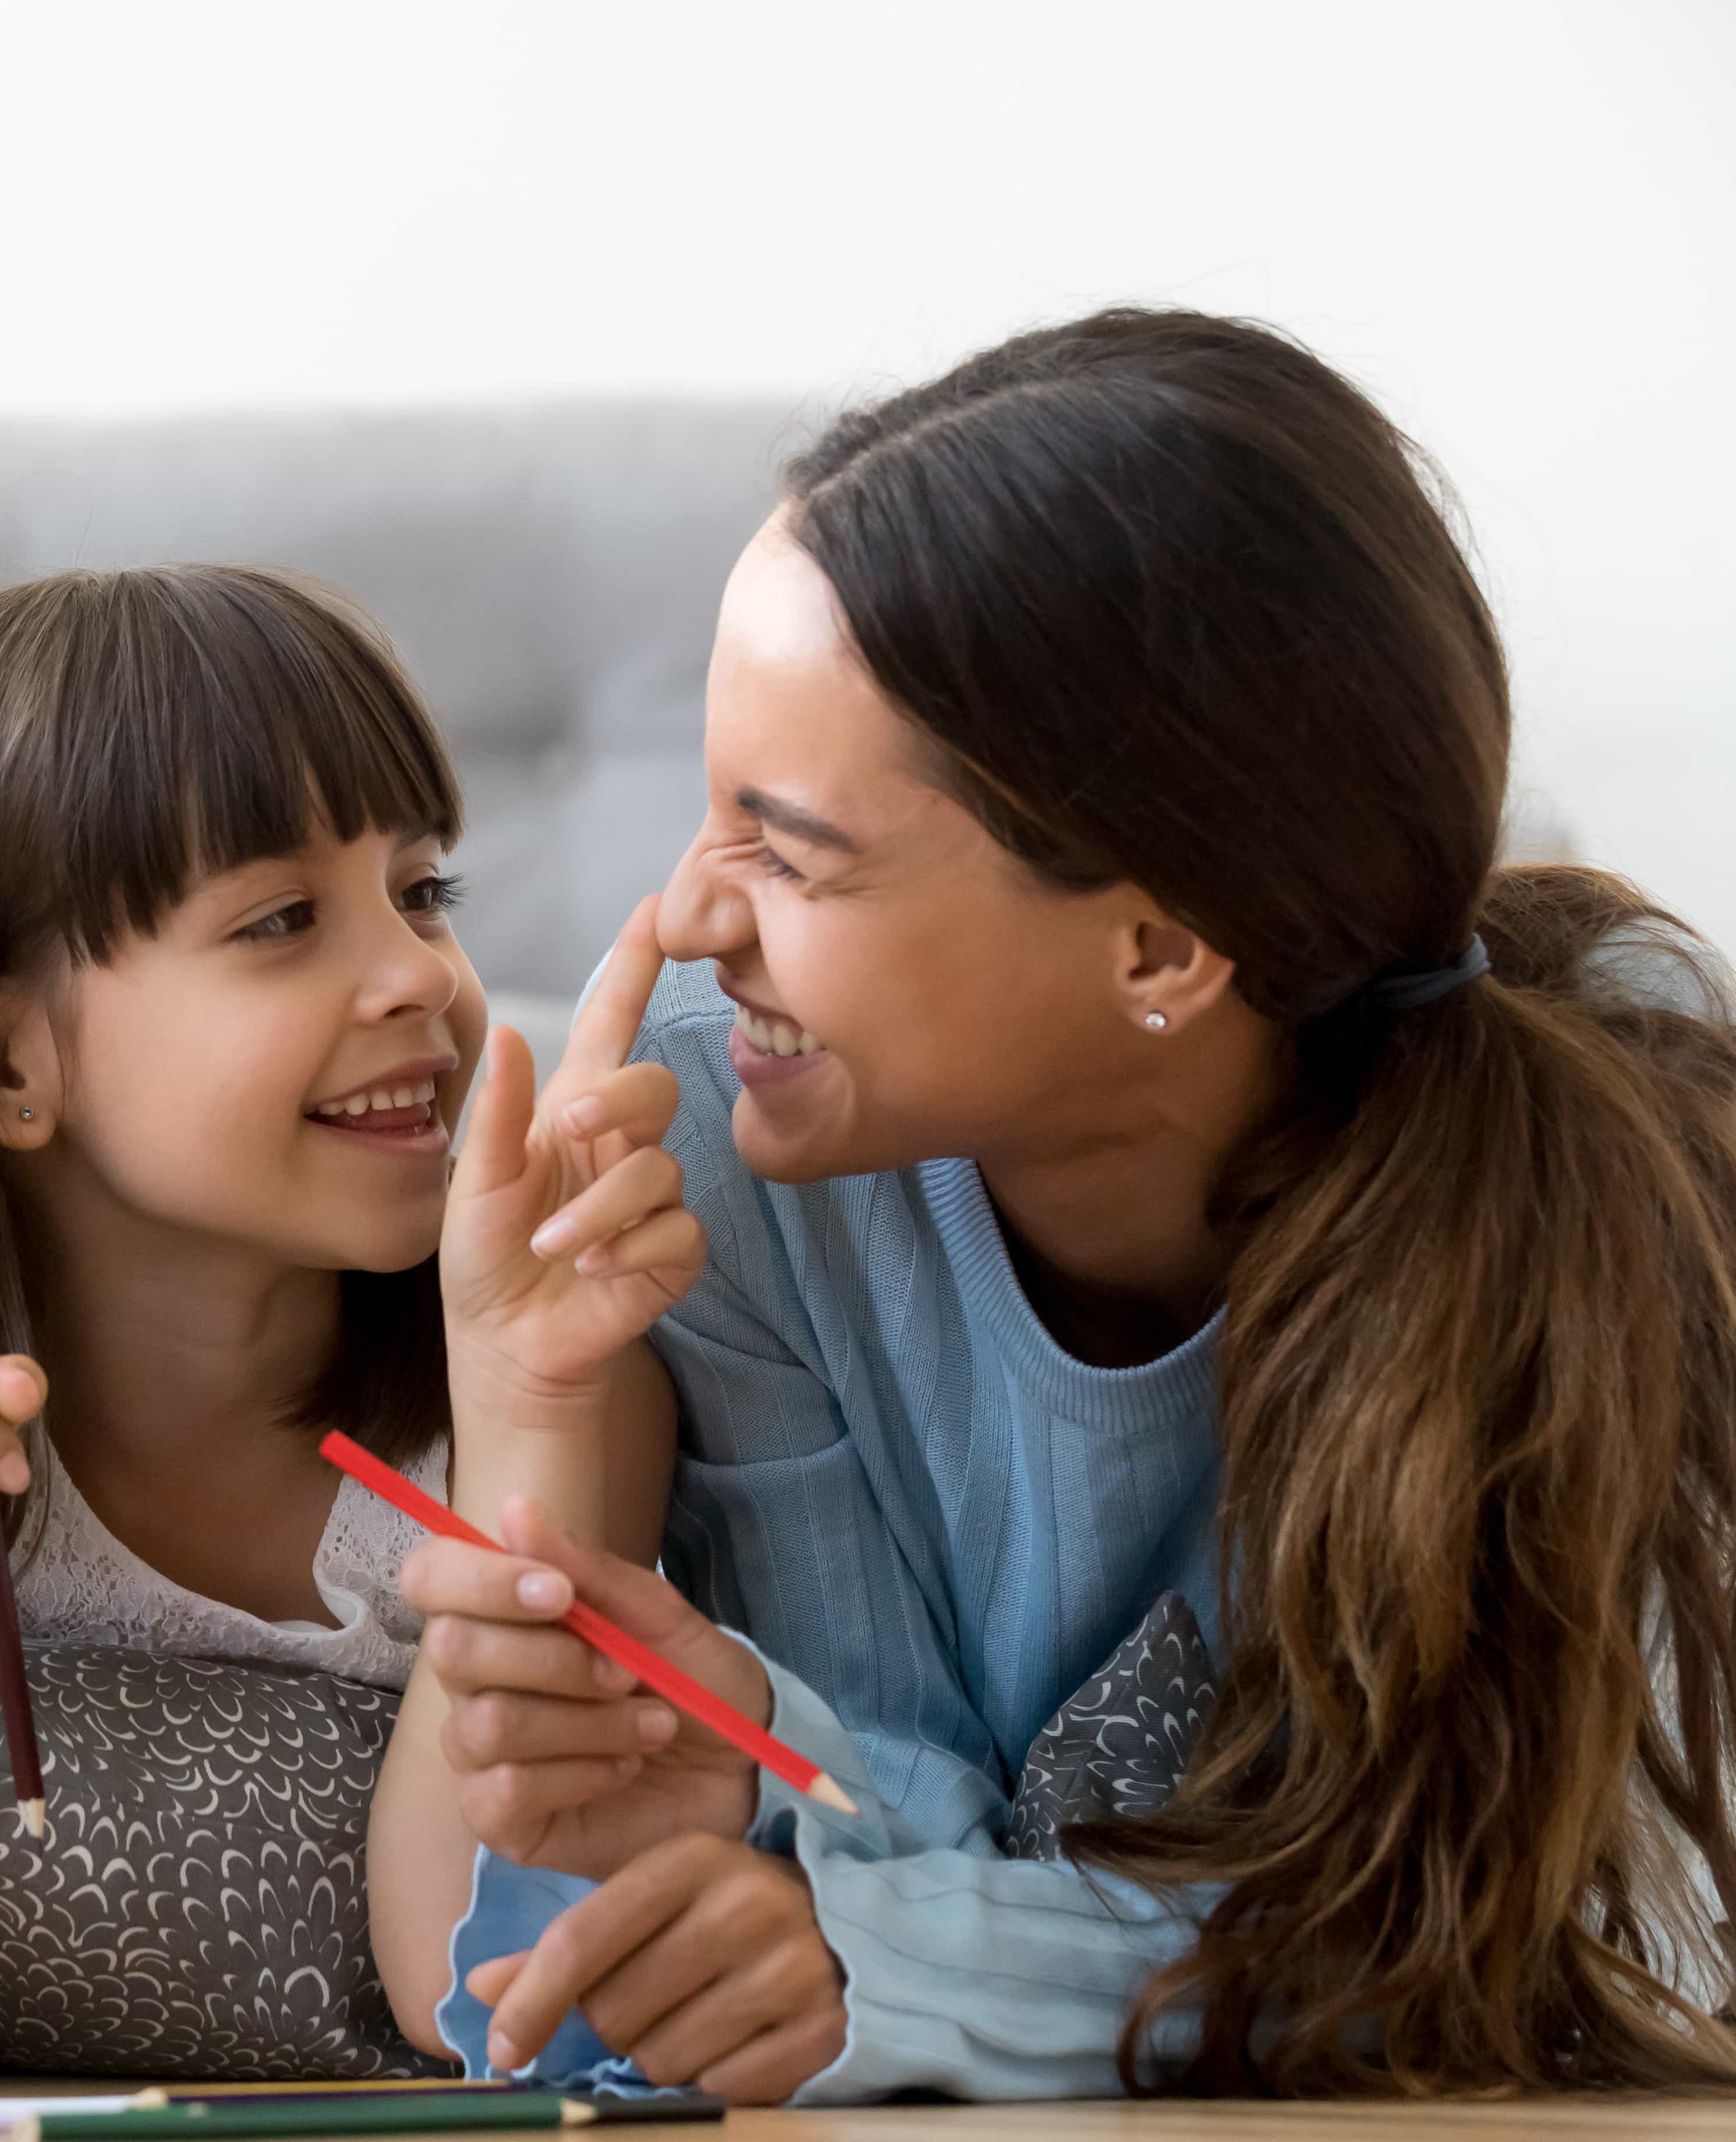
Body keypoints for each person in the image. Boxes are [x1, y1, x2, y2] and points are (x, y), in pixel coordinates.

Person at [398, 307, 1736, 2101]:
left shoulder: (1628, 1159)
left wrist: (904, 1962)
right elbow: (888, 1844)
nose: (697, 919)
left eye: (791, 852)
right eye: (711, 818)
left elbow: (1593, 1948)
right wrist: (747, 1786)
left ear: (1162, 944)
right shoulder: (721, 1149)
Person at [0, 565, 693, 2078]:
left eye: (423, 892)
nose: (420, 974)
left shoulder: (545, 1377)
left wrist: (535, 1415)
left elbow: (467, 1990)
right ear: (6, 1057)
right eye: (283, 920)